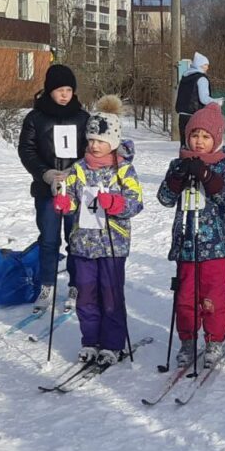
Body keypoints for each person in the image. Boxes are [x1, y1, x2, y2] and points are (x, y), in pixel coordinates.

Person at [63, 95, 144, 366]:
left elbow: (136, 202)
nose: (94, 145)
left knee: (111, 296)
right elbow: (71, 198)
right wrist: (64, 203)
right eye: (91, 140)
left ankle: (112, 343)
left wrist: (116, 203)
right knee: (85, 296)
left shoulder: (124, 170)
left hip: (112, 245)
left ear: (113, 141)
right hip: (83, 244)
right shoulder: (78, 169)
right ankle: (90, 340)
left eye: (100, 140)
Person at [157, 102, 225, 369]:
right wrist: (177, 178)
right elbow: (164, 198)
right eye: (195, 135)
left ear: (216, 139)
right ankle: (188, 339)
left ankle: (214, 339)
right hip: (186, 244)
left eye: (206, 136)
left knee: (213, 295)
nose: (199, 141)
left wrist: (206, 175)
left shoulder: (223, 165)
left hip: (215, 245)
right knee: (186, 296)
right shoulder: (178, 163)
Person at [18, 64, 90, 315]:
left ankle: (75, 286)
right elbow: (26, 150)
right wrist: (45, 173)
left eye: (68, 90)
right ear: (49, 90)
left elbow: (90, 150)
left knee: (75, 240)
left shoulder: (82, 118)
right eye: (60, 90)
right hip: (46, 189)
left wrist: (74, 172)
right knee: (49, 239)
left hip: (74, 191)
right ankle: (46, 286)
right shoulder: (35, 118)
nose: (64, 95)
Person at [175, 52, 220, 146]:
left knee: (185, 144)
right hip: (196, 116)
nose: (207, 67)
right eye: (205, 65)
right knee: (195, 145)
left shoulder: (185, 77)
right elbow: (204, 99)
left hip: (182, 115)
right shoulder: (201, 79)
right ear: (200, 65)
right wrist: (217, 102)